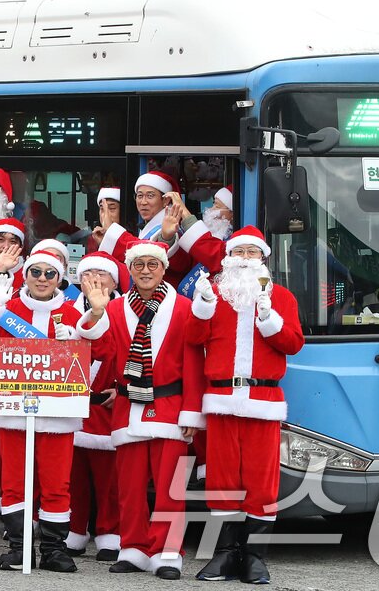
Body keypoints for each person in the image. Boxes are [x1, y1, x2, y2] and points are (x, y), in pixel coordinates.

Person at [77, 240, 203, 581]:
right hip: (128, 407)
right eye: (139, 265)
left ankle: (167, 552)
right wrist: (98, 311)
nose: (146, 271)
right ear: (130, 270)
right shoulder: (116, 310)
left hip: (171, 407)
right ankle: (132, 547)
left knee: (170, 488)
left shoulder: (184, 308)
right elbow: (99, 349)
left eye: (152, 265)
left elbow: (194, 363)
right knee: (129, 487)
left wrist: (192, 411)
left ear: (163, 269)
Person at [189, 227, 305, 585]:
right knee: (222, 478)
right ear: (227, 258)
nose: (244, 258)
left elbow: (293, 344)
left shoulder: (282, 297)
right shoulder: (216, 295)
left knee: (261, 480)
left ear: (263, 259)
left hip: (263, 400)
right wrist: (203, 305)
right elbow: (194, 339)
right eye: (238, 252)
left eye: (252, 253)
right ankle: (224, 555)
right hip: (222, 400)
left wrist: (270, 318)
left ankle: (254, 556)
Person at [0, 249, 85, 572]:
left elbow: (100, 353)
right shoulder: (7, 308)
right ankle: (18, 547)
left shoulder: (72, 311)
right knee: (13, 482)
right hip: (11, 411)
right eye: (35, 272)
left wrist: (76, 340)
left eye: (49, 274)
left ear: (60, 278)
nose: (42, 279)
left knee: (56, 483)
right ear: (26, 274)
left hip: (58, 414)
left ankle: (53, 548)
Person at [64, 252, 124, 563]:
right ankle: (74, 531)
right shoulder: (65, 309)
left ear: (114, 281)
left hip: (108, 405)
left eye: (103, 274)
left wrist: (123, 386)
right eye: (89, 274)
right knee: (72, 477)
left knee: (109, 479)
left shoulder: (126, 311)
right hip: (70, 405)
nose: (96, 279)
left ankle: (110, 532)